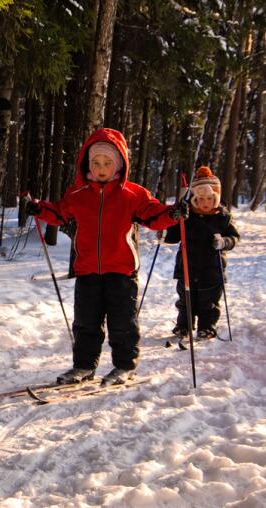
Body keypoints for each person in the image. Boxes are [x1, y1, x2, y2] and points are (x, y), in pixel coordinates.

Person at [26, 128, 186, 386]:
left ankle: (124, 366)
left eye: (107, 163)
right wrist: (40, 209)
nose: (101, 168)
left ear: (119, 164)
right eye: (96, 163)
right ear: (87, 164)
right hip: (88, 270)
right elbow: (59, 213)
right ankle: (83, 366)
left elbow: (154, 216)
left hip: (121, 271)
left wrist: (173, 213)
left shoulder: (133, 195)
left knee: (123, 323)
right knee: (86, 323)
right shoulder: (78, 195)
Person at [164, 166, 240, 341]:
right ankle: (184, 326)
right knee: (186, 301)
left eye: (210, 198)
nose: (206, 202)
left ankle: (207, 327)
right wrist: (173, 221)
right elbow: (173, 237)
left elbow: (234, 237)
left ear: (217, 198)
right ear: (194, 199)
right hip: (187, 267)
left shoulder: (223, 217)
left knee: (209, 302)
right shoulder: (187, 216)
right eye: (201, 198)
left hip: (212, 270)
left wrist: (224, 242)